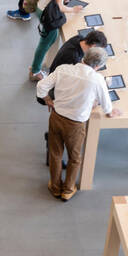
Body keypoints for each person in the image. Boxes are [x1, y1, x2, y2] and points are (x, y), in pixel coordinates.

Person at [37, 46, 120, 201]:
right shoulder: (97, 79)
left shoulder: (63, 69)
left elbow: (41, 86)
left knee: (55, 154)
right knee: (74, 157)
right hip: (75, 124)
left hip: (56, 117)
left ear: (84, 57)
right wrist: (110, 111)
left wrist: (47, 99)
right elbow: (106, 104)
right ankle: (68, 189)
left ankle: (55, 187)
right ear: (98, 66)